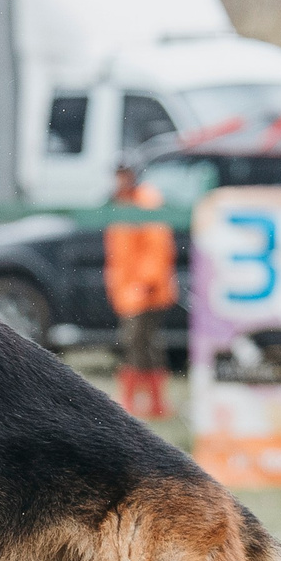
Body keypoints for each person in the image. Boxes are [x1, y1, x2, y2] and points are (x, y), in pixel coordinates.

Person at [105, 161, 178, 419]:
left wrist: (146, 281)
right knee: (144, 345)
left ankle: (138, 401)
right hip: (129, 289)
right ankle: (153, 403)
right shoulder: (121, 202)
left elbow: (157, 246)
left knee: (137, 343)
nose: (120, 179)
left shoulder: (146, 200)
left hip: (144, 290)